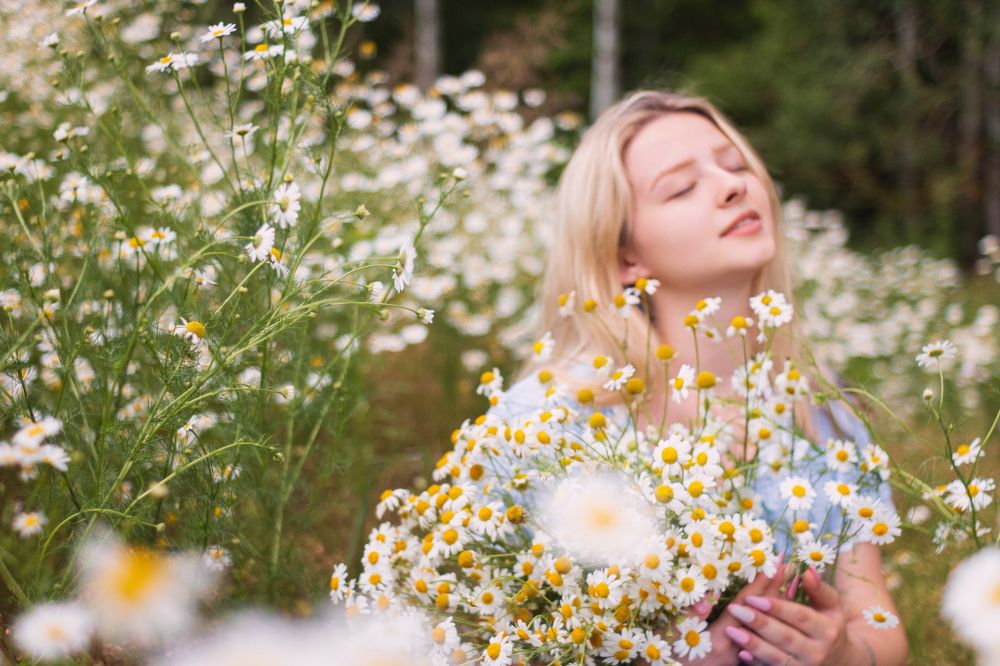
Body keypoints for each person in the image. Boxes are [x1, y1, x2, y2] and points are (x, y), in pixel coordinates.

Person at [489, 91, 908, 665]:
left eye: (736, 166)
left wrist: (840, 654)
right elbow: (491, 638)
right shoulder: (548, 421)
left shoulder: (822, 408)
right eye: (681, 187)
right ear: (625, 256)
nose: (734, 186)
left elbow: (878, 623)